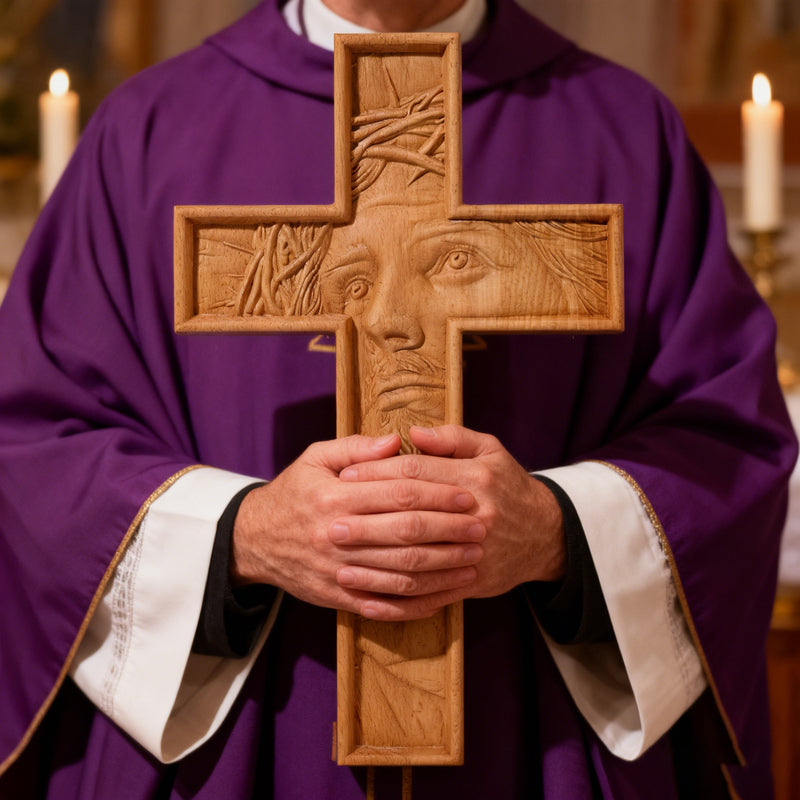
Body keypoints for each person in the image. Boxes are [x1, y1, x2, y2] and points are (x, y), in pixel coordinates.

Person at [0, 0, 795, 797]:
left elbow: (725, 444)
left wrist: (554, 531)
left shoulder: (621, 132)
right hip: (246, 739)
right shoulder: (151, 132)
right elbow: (35, 442)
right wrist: (244, 536)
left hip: (531, 729)